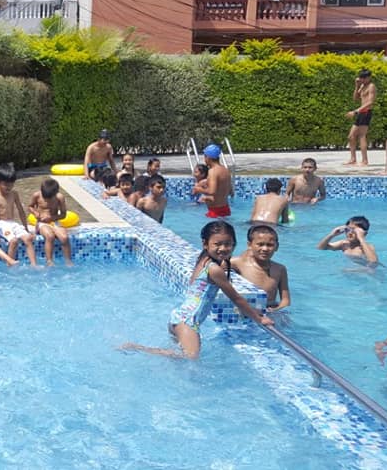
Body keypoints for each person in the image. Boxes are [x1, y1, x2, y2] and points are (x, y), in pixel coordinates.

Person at [120, 221, 273, 359]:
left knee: (180, 361)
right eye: (217, 244)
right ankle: (138, 348)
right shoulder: (214, 270)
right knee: (190, 358)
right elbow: (236, 298)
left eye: (228, 244)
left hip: (179, 317)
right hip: (188, 322)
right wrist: (258, 318)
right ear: (205, 244)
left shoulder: (203, 260)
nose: (223, 248)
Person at [0, 163, 37, 267]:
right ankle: (10, 265)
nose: (9, 187)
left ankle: (34, 265)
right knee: (13, 241)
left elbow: (21, 211)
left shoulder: (14, 194)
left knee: (28, 238)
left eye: (11, 184)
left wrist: (26, 228)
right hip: (0, 224)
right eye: (6, 184)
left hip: (12, 223)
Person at [231, 225, 290, 312]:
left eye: (270, 245)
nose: (265, 249)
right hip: (246, 310)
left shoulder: (280, 269)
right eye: (260, 244)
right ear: (249, 245)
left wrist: (276, 310)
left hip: (270, 309)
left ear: (276, 247)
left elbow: (286, 300)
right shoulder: (237, 263)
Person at [28, 178, 74, 267]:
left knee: (64, 237)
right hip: (42, 223)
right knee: (50, 236)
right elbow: (30, 206)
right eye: (45, 198)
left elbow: (63, 214)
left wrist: (52, 218)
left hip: (54, 222)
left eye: (50, 198)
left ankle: (68, 260)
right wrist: (35, 213)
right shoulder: (37, 195)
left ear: (56, 193)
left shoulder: (60, 197)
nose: (47, 200)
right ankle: (49, 261)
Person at [345, 68, 376, 166]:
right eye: (361, 78)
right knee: (351, 136)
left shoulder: (371, 86)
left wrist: (355, 111)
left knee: (362, 136)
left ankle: (365, 160)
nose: (362, 80)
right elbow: (355, 98)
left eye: (364, 78)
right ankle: (353, 159)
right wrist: (357, 86)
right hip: (361, 113)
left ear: (369, 77)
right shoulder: (362, 86)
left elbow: (370, 102)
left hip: (366, 112)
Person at [192, 144, 232, 218]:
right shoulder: (225, 170)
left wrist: (198, 189)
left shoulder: (212, 171)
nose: (204, 159)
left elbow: (212, 191)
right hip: (226, 209)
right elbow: (231, 192)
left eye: (205, 156)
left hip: (215, 211)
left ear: (208, 157)